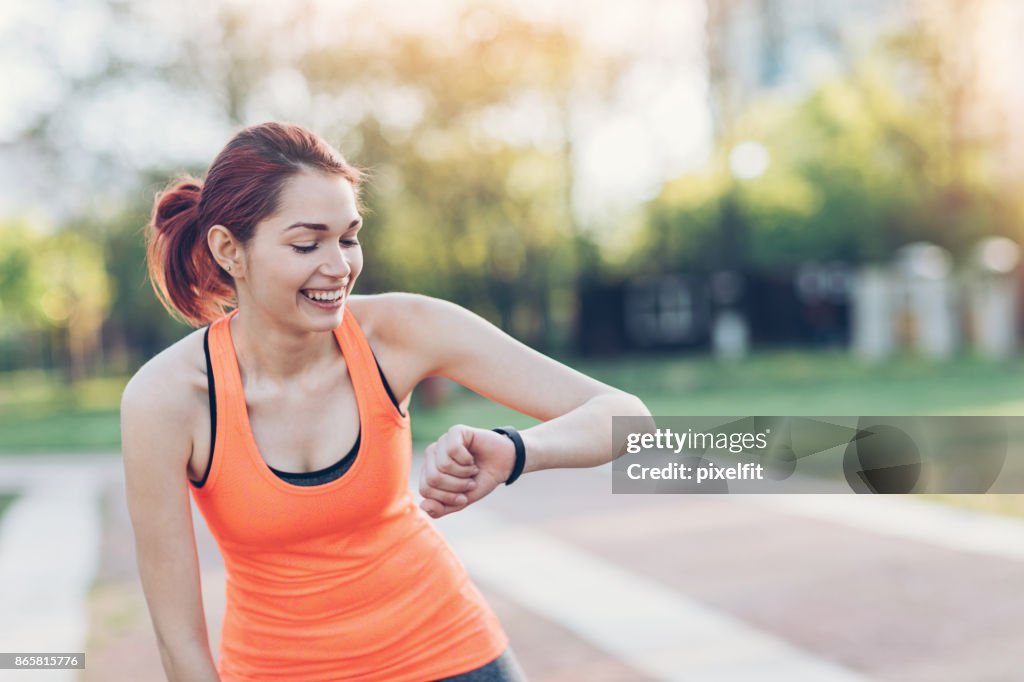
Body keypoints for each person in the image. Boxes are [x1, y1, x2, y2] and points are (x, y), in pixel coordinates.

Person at [120, 121, 652, 681]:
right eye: (307, 243)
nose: (339, 267)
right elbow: (178, 640)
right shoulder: (167, 400)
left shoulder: (401, 330)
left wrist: (516, 450)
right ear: (230, 250)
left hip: (453, 658)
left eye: (348, 237)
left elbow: (626, 418)